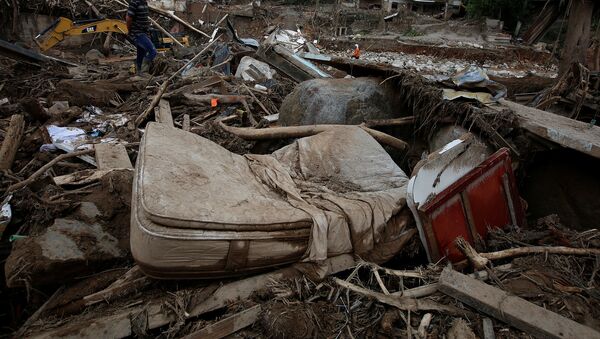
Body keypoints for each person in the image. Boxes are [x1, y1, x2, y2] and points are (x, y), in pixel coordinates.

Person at [127, 0, 157, 74]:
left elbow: (144, 19)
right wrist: (130, 31)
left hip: (144, 32)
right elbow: (128, 18)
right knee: (153, 52)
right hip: (138, 33)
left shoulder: (145, 3)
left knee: (141, 53)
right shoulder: (135, 2)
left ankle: (138, 72)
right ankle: (143, 71)